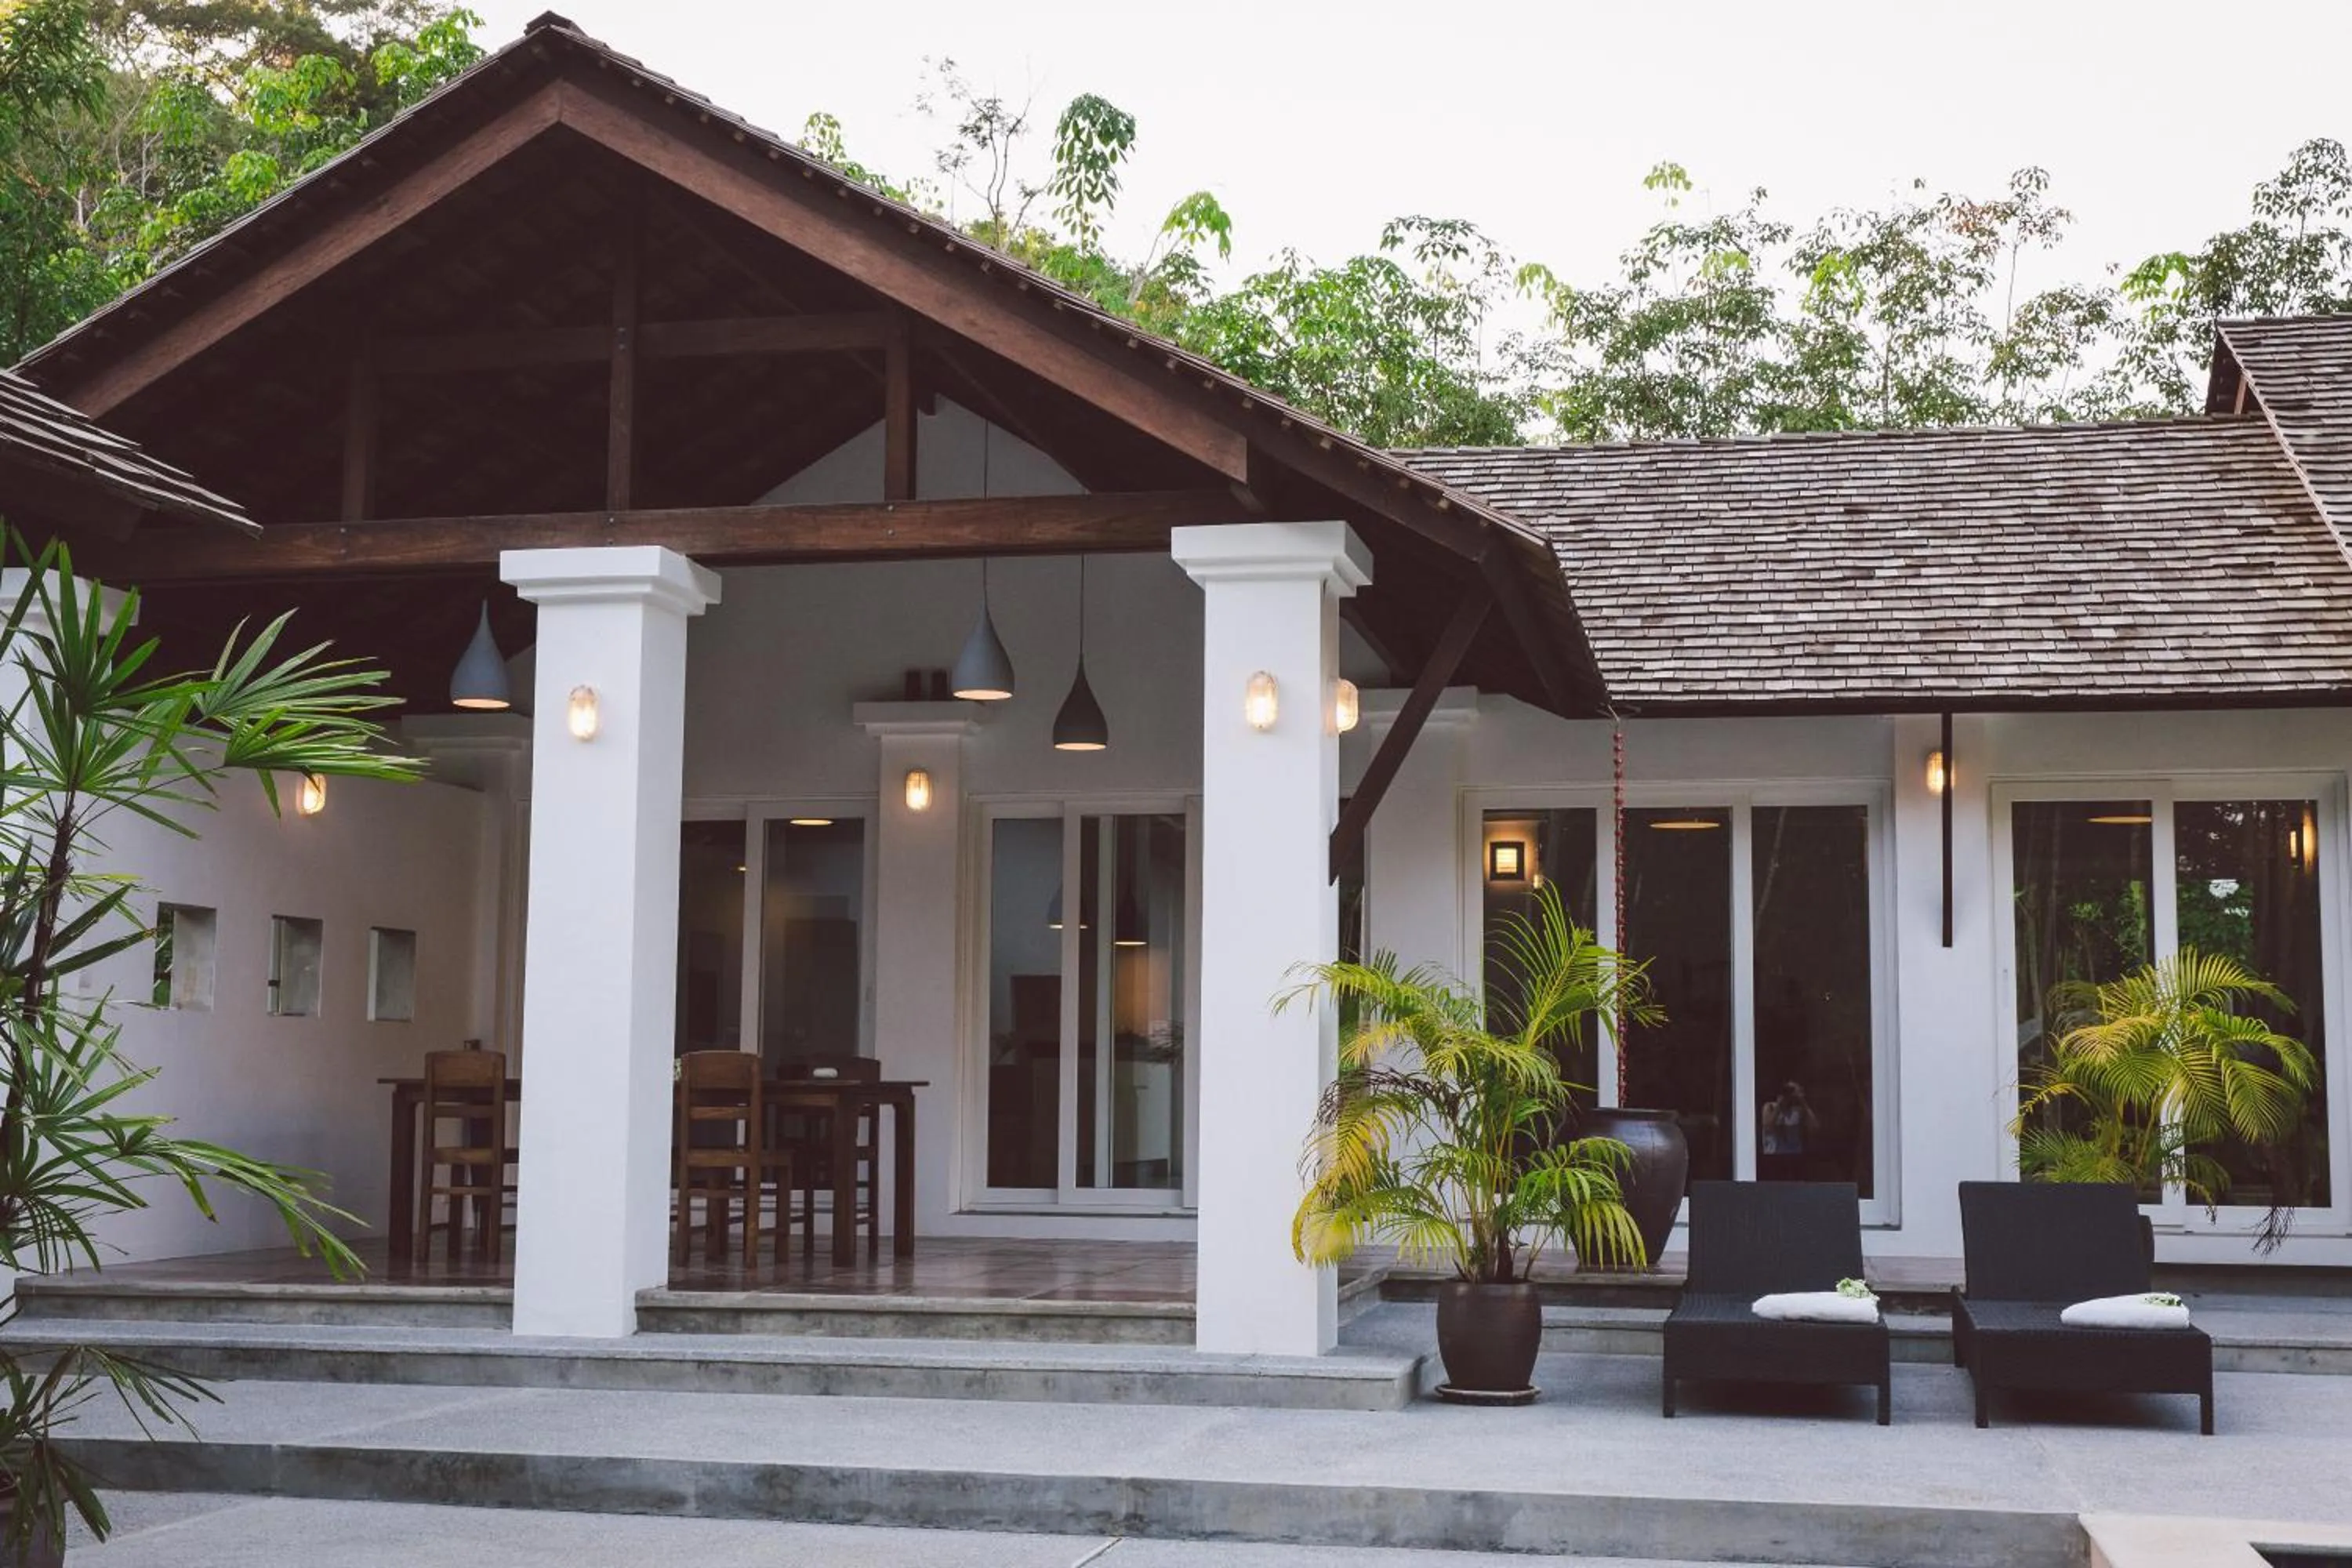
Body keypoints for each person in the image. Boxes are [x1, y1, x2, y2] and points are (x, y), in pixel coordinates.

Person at [1759, 1081, 1819, 1182]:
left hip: (1795, 1156)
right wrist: (1779, 1106)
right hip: (1774, 1156)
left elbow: (1814, 1127)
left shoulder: (1799, 1110)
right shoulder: (1770, 1107)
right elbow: (1768, 1127)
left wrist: (1803, 1103)